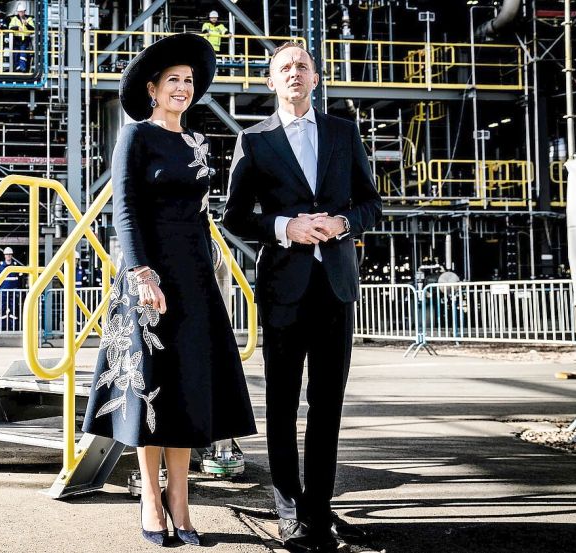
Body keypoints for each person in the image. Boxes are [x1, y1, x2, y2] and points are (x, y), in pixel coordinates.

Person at [82, 33, 255, 547]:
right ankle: (150, 501)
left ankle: (181, 500)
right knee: (148, 390)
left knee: (186, 392)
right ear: (153, 89)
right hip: (148, 279)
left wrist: (209, 275)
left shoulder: (198, 142)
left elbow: (202, 215)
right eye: (173, 81)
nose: (184, 87)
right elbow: (126, 211)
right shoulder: (135, 136)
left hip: (195, 279)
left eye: (189, 80)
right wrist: (141, 274)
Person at [222, 41, 382, 551]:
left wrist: (341, 222)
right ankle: (288, 506)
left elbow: (373, 205)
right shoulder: (255, 140)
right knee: (283, 402)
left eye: (302, 66)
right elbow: (235, 216)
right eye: (284, 67)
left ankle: (319, 506)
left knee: (328, 403)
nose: (294, 73)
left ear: (316, 77)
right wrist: (285, 226)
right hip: (284, 288)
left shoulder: (342, 133)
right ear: (271, 82)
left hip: (335, 286)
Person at [0, 246, 23, 331]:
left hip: (14, 291)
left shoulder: (16, 266)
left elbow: (20, 280)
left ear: (12, 255)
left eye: (10, 254)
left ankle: (13, 327)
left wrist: (19, 290)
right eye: (7, 254)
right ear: (4, 255)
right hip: (3, 291)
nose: (8, 256)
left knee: (14, 309)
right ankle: (2, 327)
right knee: (2, 309)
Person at [8, 3, 34, 72]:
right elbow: (10, 27)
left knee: (23, 54)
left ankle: (22, 68)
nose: (21, 13)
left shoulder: (29, 19)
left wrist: (27, 24)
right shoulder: (14, 19)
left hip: (25, 39)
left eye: (22, 11)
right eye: (20, 11)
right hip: (16, 39)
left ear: (24, 12)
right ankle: (17, 68)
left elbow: (33, 29)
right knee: (16, 54)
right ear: (18, 12)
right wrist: (17, 27)